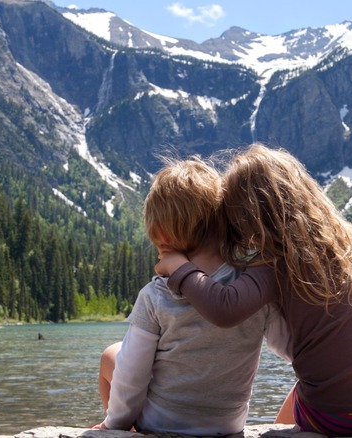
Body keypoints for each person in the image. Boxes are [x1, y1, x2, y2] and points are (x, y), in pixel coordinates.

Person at [156, 144, 352, 437]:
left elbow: (225, 308)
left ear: (247, 216)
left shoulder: (277, 260)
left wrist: (179, 267)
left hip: (334, 418)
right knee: (307, 388)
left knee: (307, 393)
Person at [92, 156, 290, 434]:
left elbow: (131, 376)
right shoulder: (251, 290)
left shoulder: (155, 295)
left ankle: (122, 431)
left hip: (162, 423)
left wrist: (115, 423)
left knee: (110, 356)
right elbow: (290, 348)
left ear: (162, 235)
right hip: (227, 425)